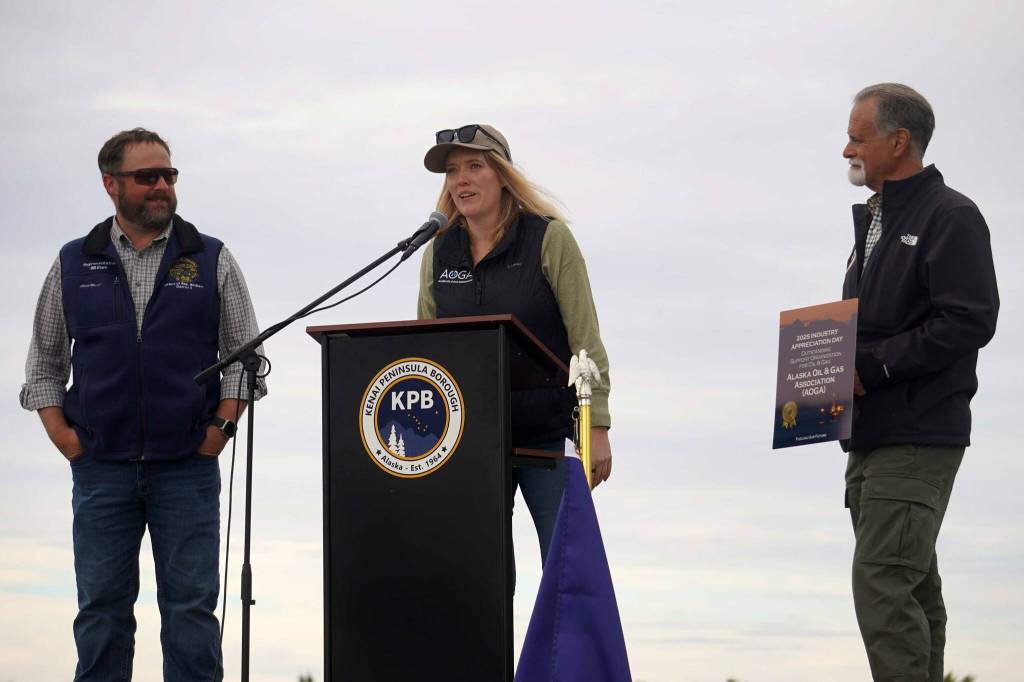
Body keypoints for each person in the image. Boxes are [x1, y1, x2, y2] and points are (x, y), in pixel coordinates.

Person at [20, 128, 267, 681]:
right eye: (146, 177)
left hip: (188, 470)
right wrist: (68, 441)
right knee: (102, 615)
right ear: (111, 185)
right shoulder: (72, 263)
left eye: (169, 175)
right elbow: (43, 366)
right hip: (102, 471)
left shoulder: (210, 257)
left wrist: (218, 434)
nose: (161, 186)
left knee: (191, 616)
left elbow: (246, 358)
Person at [841, 84, 998, 682]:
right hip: (870, 433)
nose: (846, 148)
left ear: (897, 141)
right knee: (909, 585)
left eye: (857, 136)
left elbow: (970, 319)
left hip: (918, 431)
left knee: (882, 579)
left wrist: (875, 366)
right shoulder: (876, 221)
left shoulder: (950, 215)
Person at [417, 124, 611, 566]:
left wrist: (596, 426)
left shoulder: (549, 238)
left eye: (474, 166)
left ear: (502, 175)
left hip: (545, 436)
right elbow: (424, 352)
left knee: (567, 565)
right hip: (468, 440)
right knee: (480, 573)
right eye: (451, 171)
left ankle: (562, 641)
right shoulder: (437, 251)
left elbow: (586, 340)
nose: (460, 180)